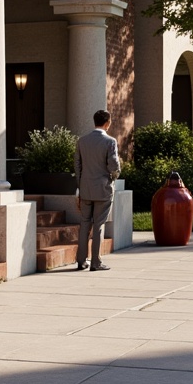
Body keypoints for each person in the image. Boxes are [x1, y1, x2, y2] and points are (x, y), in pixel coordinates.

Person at [74, 109, 121, 272]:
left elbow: (77, 166)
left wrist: (80, 187)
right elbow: (114, 165)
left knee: (85, 223)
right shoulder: (110, 141)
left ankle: (81, 260)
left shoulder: (82, 141)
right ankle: (96, 262)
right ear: (107, 123)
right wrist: (113, 177)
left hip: (85, 188)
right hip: (103, 188)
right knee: (99, 225)